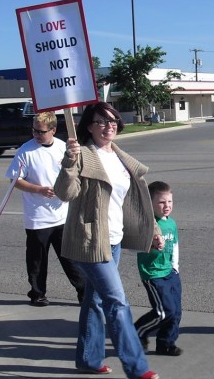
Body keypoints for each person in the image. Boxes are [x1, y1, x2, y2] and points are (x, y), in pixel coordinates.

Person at [54, 102, 161, 379]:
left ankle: (89, 359)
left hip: (113, 239)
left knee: (96, 301)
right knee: (117, 301)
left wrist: (154, 232)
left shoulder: (119, 156)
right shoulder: (82, 155)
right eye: (101, 121)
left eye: (112, 120)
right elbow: (65, 193)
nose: (108, 125)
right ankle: (137, 368)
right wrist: (69, 161)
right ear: (89, 126)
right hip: (90, 240)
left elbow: (136, 200)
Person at [5, 111, 84, 307]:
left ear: (53, 130)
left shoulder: (62, 147)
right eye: (34, 130)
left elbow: (74, 171)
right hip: (37, 217)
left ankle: (84, 291)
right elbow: (15, 180)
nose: (37, 135)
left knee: (71, 258)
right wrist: (38, 189)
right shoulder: (25, 151)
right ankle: (37, 293)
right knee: (37, 260)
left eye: (41, 131)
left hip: (62, 214)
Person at [135, 181, 182, 356]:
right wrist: (152, 246)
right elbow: (136, 247)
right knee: (164, 311)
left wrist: (175, 268)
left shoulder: (171, 223)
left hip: (170, 272)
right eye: (162, 202)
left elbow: (175, 245)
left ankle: (166, 344)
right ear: (150, 203)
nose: (167, 206)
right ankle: (137, 332)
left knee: (176, 312)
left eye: (169, 202)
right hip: (153, 273)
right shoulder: (147, 224)